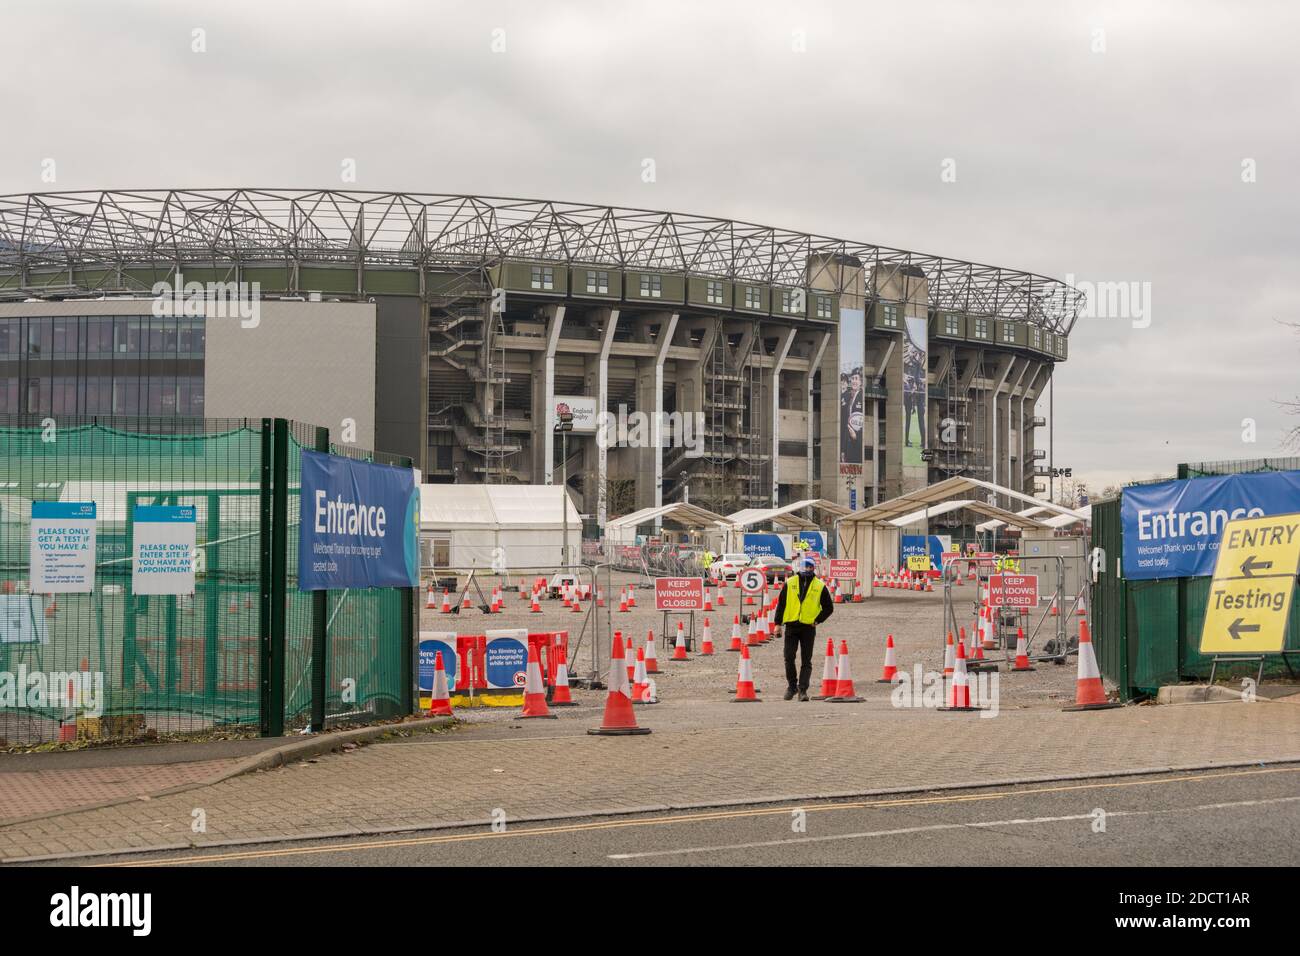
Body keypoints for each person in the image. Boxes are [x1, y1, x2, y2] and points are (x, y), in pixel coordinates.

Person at [772, 556, 834, 701]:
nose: (807, 570)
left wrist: (818, 620)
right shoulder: (790, 583)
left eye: (810, 567)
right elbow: (781, 604)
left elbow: (829, 608)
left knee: (806, 661)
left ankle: (803, 690)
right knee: (789, 658)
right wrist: (777, 624)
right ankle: (792, 687)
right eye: (805, 567)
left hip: (808, 628)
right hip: (791, 626)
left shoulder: (819, 586)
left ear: (813, 569)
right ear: (800, 568)